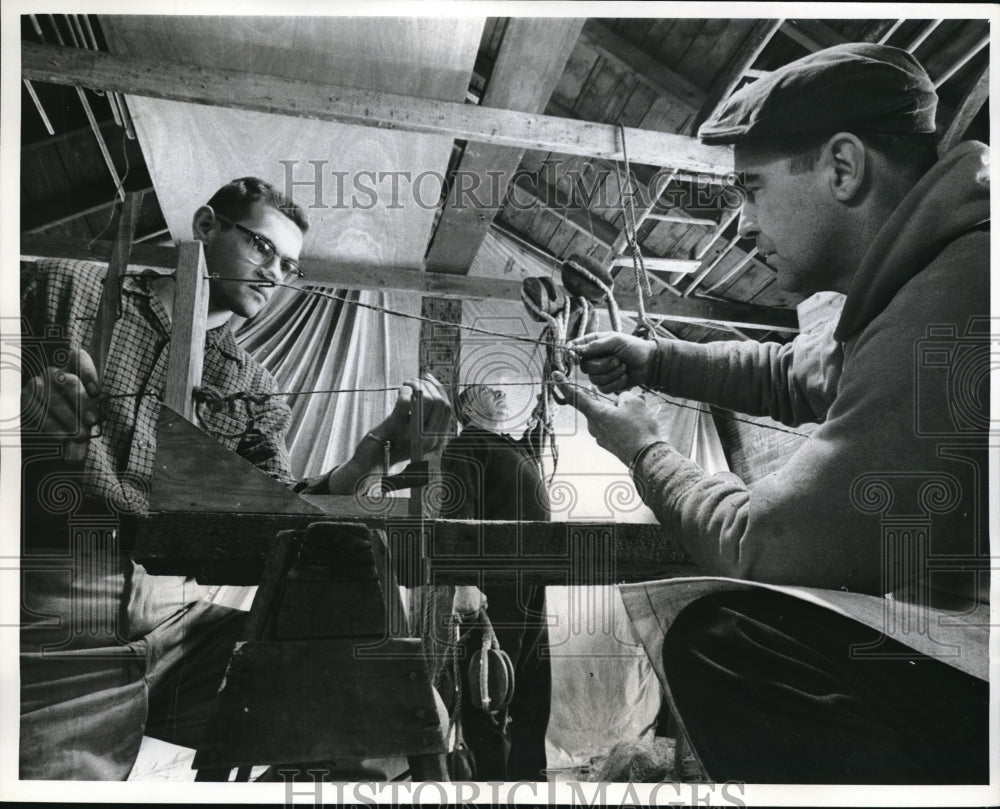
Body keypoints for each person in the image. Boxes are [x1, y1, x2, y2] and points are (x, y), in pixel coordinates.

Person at [554, 43, 990, 784]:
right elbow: (793, 372)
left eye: (752, 191)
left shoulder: (959, 296)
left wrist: (644, 450)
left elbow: (760, 543)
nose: (744, 225)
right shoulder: (934, 269)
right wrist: (653, 358)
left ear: (843, 168)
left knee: (725, 640)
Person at [19, 176, 452, 780]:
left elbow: (274, 519)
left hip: (174, 619)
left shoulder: (252, 385)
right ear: (205, 226)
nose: (274, 273)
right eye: (262, 247)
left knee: (400, 710)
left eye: (289, 266)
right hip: (54, 601)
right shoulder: (65, 288)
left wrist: (373, 458)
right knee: (62, 780)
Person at [438, 384, 551, 781]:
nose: (499, 392)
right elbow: (457, 516)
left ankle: (529, 781)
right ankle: (492, 782)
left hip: (533, 579)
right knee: (488, 685)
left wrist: (549, 392)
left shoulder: (516, 448)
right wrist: (464, 583)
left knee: (532, 689)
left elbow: (540, 424)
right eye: (486, 391)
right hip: (496, 581)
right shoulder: (465, 446)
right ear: (467, 409)